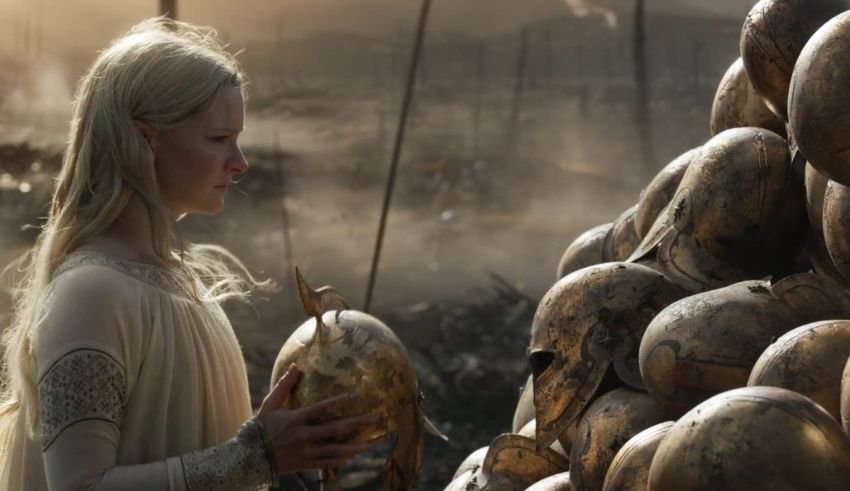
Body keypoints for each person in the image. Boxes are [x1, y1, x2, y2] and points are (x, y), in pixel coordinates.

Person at [0, 17, 374, 490]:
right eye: (219, 139)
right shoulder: (91, 293)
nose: (240, 162)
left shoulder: (180, 281)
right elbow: (78, 486)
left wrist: (284, 449)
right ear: (144, 138)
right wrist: (255, 455)